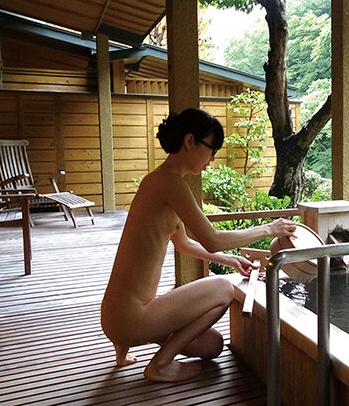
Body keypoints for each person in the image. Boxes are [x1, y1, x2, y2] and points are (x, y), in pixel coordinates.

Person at [100, 108, 296, 382]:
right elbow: (211, 239)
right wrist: (269, 229)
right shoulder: (170, 184)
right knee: (224, 288)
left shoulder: (156, 181)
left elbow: (182, 243)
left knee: (212, 345)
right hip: (134, 317)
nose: (212, 159)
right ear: (190, 141)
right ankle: (160, 365)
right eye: (212, 149)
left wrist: (230, 260)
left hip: (115, 318)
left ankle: (124, 349)